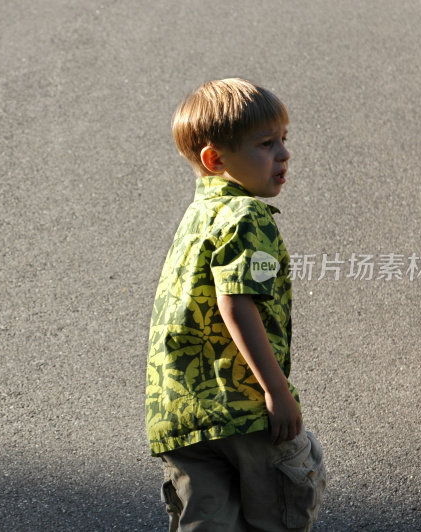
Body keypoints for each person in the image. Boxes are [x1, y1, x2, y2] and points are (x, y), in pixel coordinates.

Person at [146, 78, 326, 531]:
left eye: (284, 140)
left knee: (207, 521)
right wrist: (276, 392)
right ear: (215, 158)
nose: (284, 154)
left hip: (182, 414)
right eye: (266, 144)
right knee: (280, 508)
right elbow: (236, 304)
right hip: (242, 407)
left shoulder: (198, 215)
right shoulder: (247, 217)